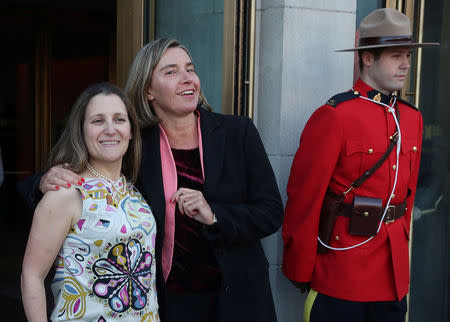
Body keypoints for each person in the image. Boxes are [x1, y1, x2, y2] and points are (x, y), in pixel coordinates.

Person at [31, 38, 283, 322]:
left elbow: (271, 212)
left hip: (239, 298)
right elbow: (87, 172)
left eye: (190, 68)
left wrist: (215, 215)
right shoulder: (135, 143)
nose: (187, 78)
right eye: (171, 72)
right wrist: (45, 180)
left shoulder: (239, 132)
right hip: (168, 302)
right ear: (148, 90)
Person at [282, 8, 439, 322]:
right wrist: (300, 270)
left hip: (392, 275)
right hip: (342, 271)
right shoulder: (335, 115)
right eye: (396, 56)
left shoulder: (412, 117)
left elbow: (406, 196)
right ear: (368, 58)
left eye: (407, 55)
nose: (406, 64)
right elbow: (305, 199)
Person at [21, 83, 160, 321]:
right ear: (81, 130)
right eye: (97, 121)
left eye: (119, 119)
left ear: (131, 131)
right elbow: (31, 275)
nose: (110, 129)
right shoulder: (66, 193)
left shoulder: (134, 191)